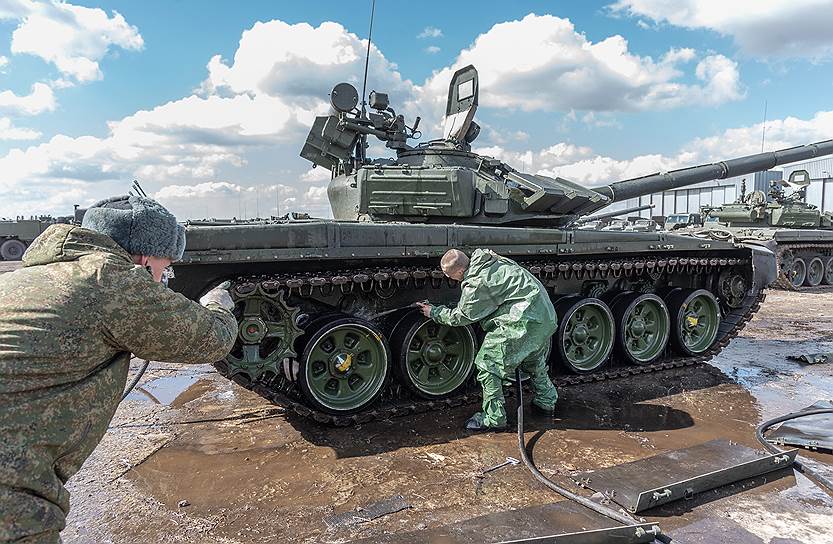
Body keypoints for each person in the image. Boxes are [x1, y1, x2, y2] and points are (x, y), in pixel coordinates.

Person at [0, 195, 237, 543]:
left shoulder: (28, 277)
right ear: (143, 259)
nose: (161, 278)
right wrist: (218, 303)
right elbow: (214, 338)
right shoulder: (111, 279)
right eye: (163, 267)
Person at [417, 248, 559, 431]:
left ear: (460, 271)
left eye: (450, 276)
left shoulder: (476, 282)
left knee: (487, 364)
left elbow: (461, 317)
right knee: (533, 360)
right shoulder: (492, 260)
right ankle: (547, 400)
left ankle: (494, 418)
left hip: (523, 321)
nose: (450, 279)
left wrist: (434, 312)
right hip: (544, 317)